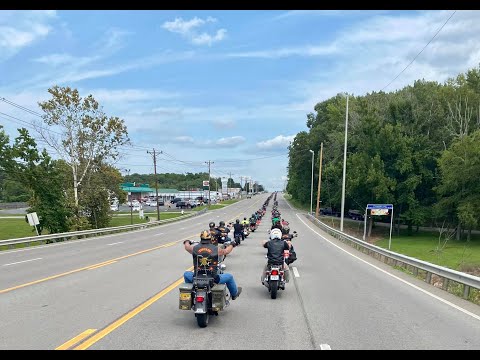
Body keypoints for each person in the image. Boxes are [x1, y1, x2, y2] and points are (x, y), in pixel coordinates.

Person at [183, 230, 242, 300]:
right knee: (229, 277)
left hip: (196, 278)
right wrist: (232, 244)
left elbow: (187, 247)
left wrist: (187, 241)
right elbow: (226, 251)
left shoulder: (194, 248)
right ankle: (234, 294)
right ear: (210, 238)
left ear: (201, 238)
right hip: (213, 279)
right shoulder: (216, 249)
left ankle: (192, 292)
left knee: (186, 274)